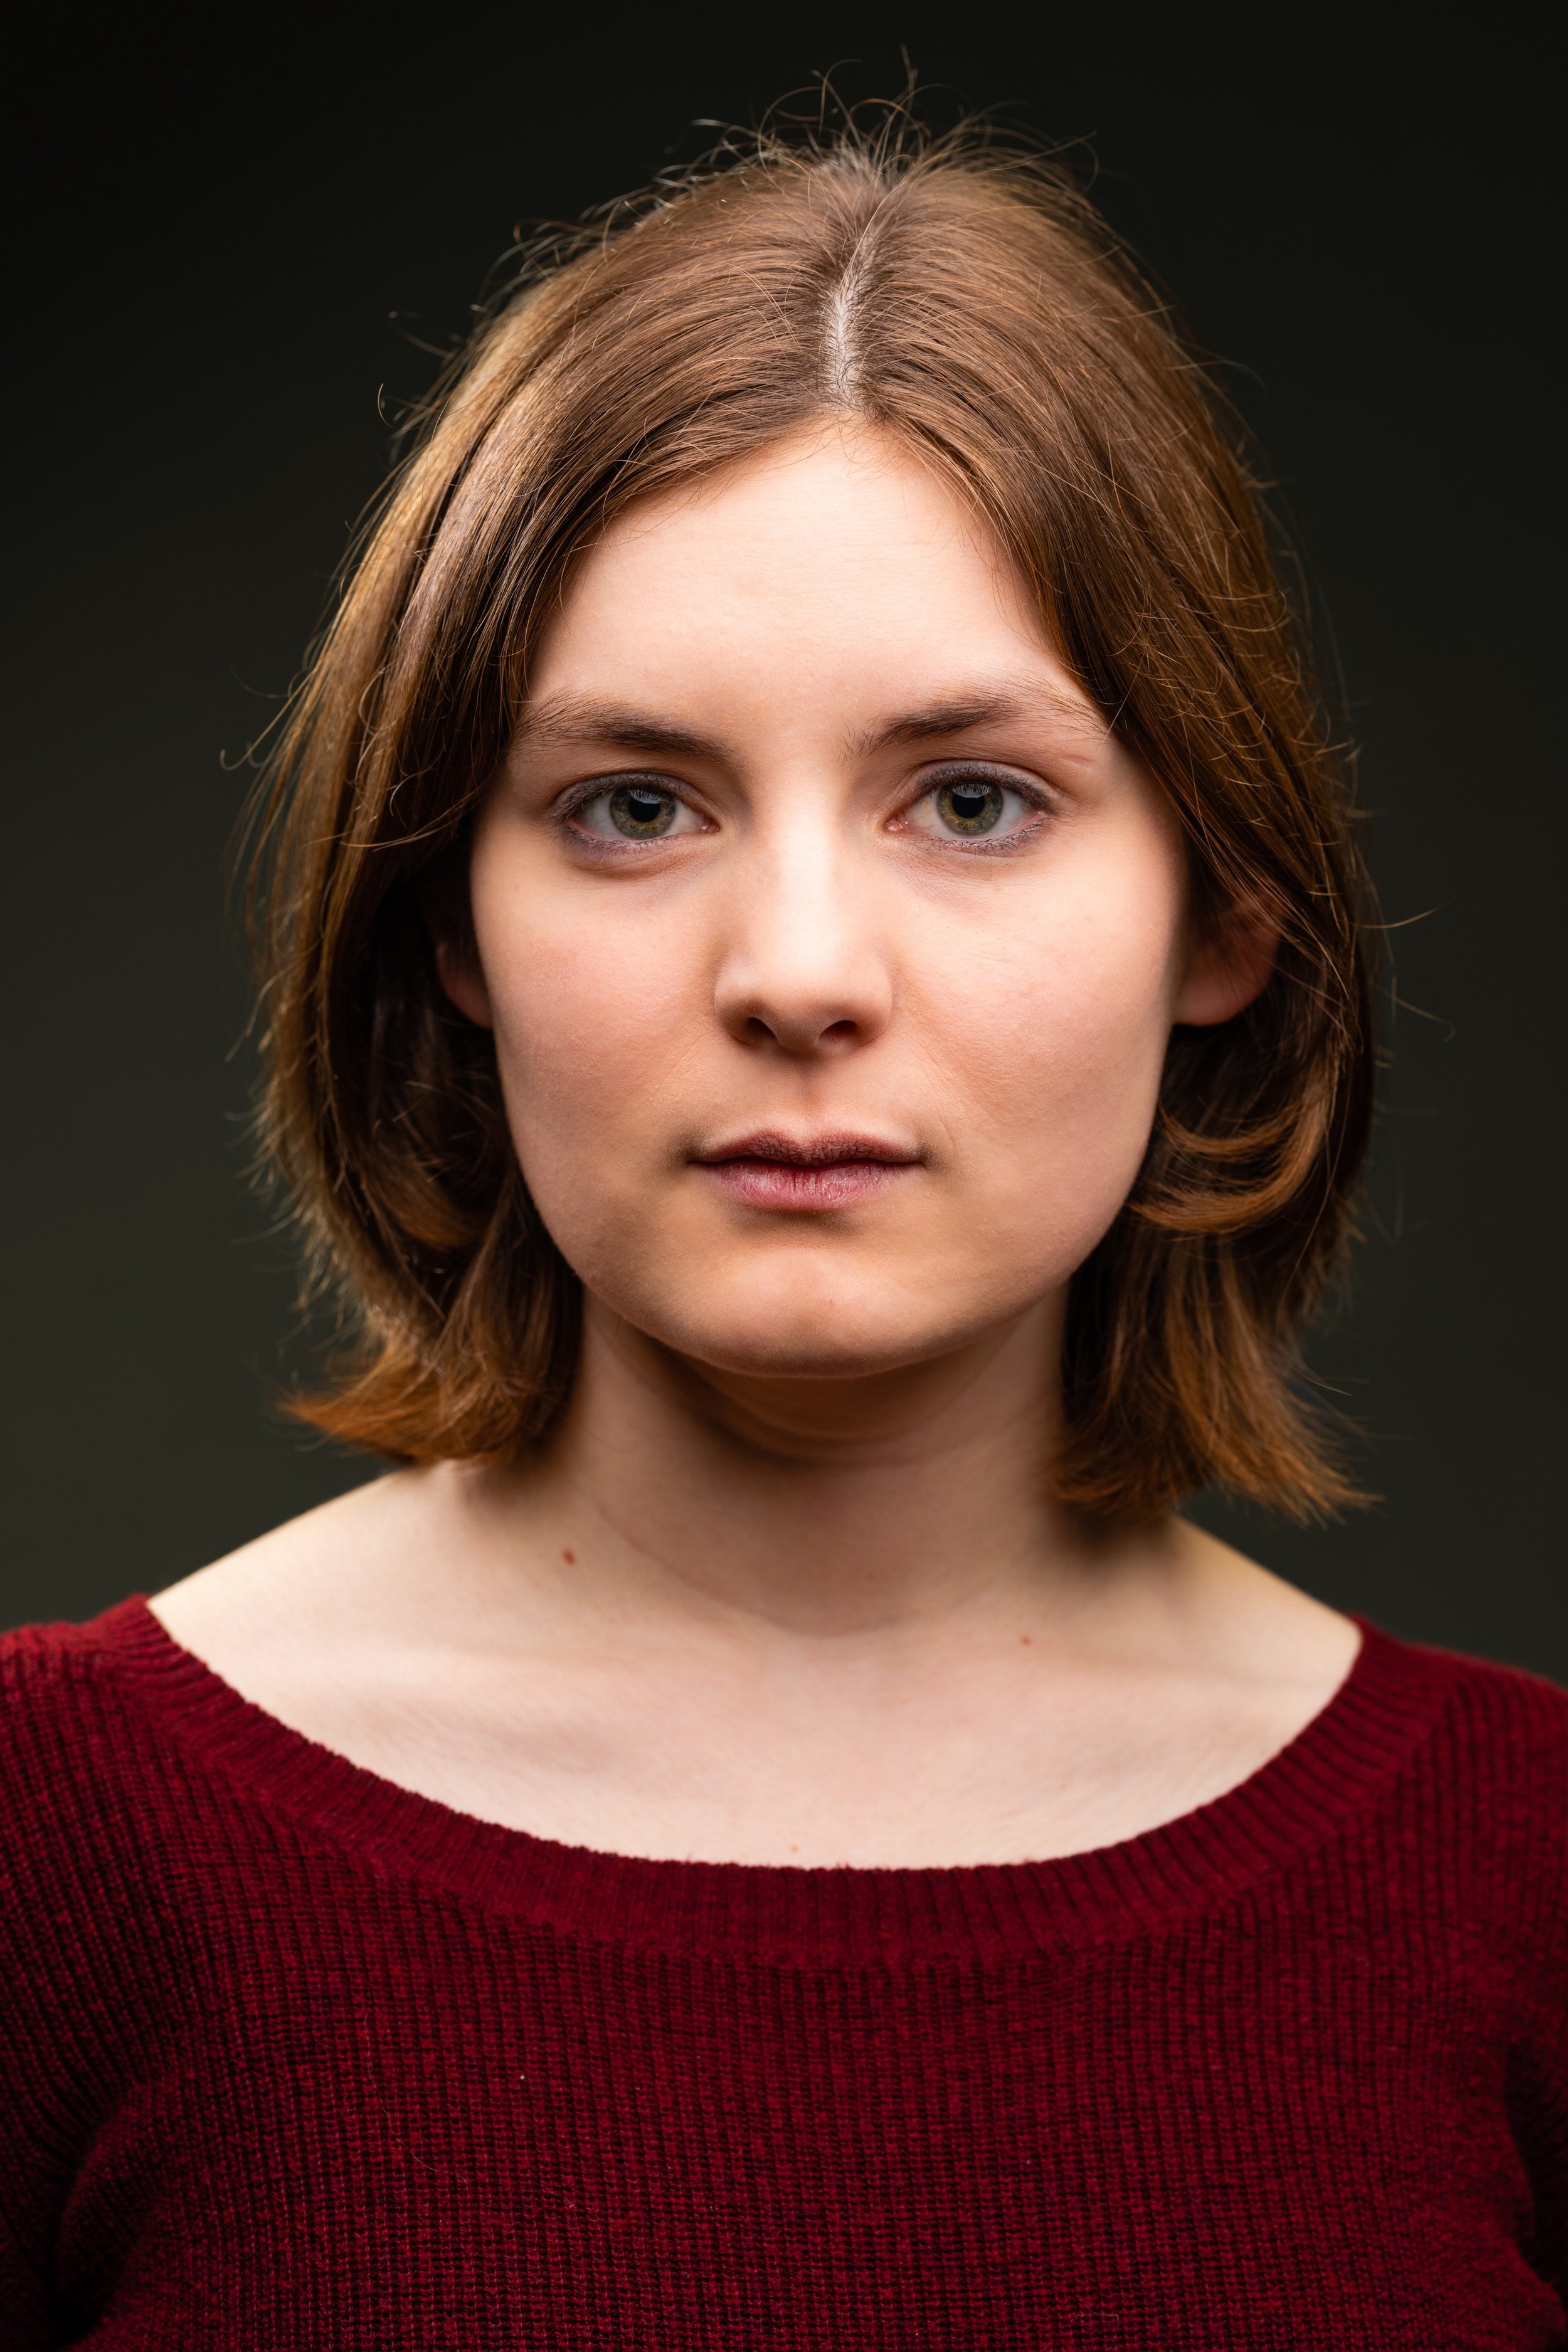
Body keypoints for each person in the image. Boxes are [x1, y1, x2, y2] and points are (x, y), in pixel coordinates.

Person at [1, 117, 1562, 2349]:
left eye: (973, 801)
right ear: (451, 915)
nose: (798, 969)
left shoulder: (1530, 1887)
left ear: (1222, 908)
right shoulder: (44, 1854)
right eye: (633, 808)